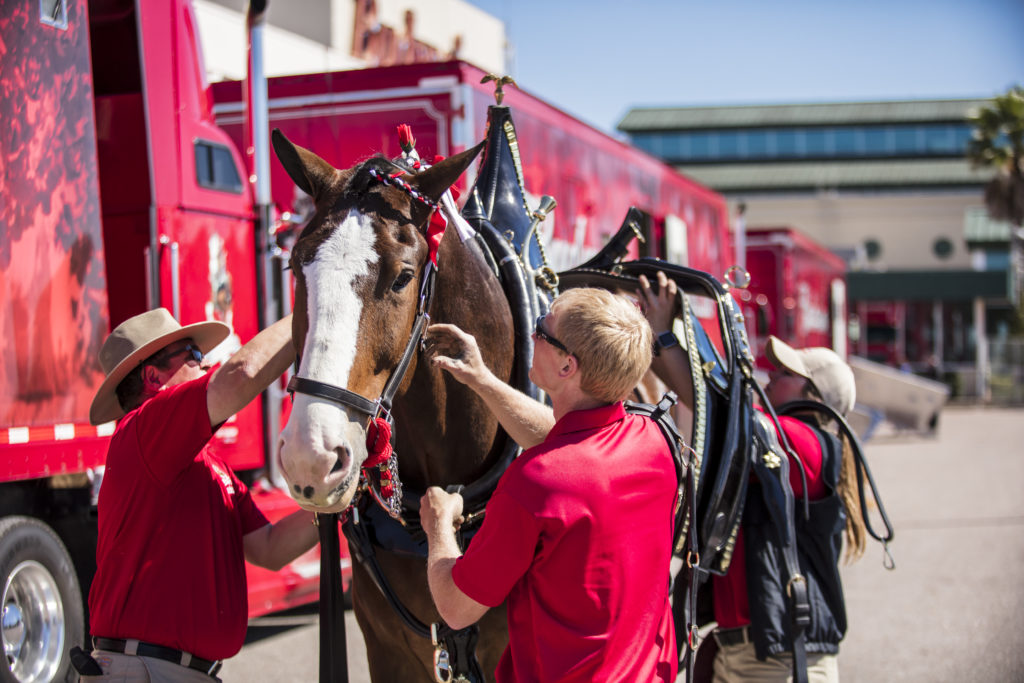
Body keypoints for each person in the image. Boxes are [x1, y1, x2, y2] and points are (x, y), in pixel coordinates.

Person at [419, 287, 679, 682]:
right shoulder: (653, 439)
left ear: (566, 367)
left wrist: (438, 524)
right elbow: (569, 443)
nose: (533, 333)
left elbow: (456, 608)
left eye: (543, 329)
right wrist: (483, 379)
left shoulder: (535, 483)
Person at [639, 270, 866, 683]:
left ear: (814, 397)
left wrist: (663, 331)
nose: (772, 375)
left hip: (779, 660)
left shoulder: (810, 445)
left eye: (788, 373)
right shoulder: (784, 442)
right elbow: (718, 408)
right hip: (752, 652)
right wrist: (657, 335)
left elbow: (723, 412)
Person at [83, 308, 319, 681]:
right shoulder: (144, 428)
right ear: (152, 376)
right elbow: (240, 375)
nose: (205, 363)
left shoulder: (208, 465)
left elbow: (269, 548)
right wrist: (311, 311)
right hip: (148, 671)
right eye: (193, 356)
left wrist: (336, 500)